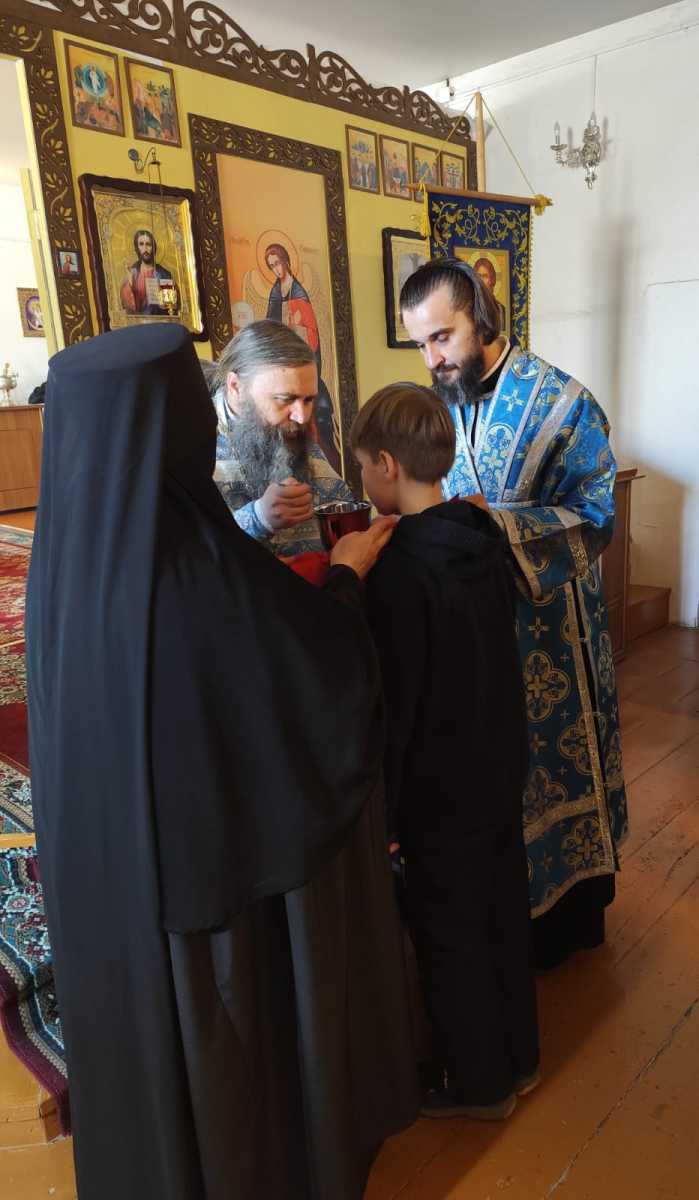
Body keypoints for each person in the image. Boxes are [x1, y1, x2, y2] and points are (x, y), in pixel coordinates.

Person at [25, 323, 418, 1200]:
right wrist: (346, 579)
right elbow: (306, 663)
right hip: (204, 891)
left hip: (109, 889)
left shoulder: (64, 561)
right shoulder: (193, 563)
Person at [400, 258, 628, 970]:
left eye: (442, 337)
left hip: (555, 628)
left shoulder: (562, 402)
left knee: (555, 764)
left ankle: (570, 922)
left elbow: (596, 514)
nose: (432, 359)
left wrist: (494, 526)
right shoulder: (439, 404)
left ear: (480, 316)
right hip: (477, 633)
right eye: (420, 344)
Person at [352, 382, 539, 1119]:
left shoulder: (398, 572)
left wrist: (388, 809)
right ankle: (519, 1057)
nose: (362, 479)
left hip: (438, 787)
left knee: (449, 931)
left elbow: (396, 704)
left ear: (387, 464)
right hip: (497, 760)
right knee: (501, 909)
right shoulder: (480, 534)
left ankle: (478, 1084)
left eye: (362, 465)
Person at [212, 319, 354, 556]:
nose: (302, 416)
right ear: (236, 386)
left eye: (308, 400)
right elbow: (184, 556)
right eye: (285, 399)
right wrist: (257, 518)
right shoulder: (192, 446)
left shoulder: (291, 431)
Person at [264, 242, 341, 472]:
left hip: (304, 360)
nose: (276, 269)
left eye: (278, 263)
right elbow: (269, 327)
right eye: (271, 266)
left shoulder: (298, 292)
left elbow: (311, 333)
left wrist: (295, 328)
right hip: (282, 362)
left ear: (286, 261)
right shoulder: (275, 293)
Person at [120, 228, 179, 316]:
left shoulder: (164, 274)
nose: (145, 249)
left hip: (159, 321)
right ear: (137, 248)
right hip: (138, 322)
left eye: (148, 244)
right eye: (141, 244)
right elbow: (127, 307)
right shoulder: (133, 273)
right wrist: (130, 285)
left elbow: (171, 307)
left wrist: (162, 300)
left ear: (154, 247)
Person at [472, 256, 507, 334]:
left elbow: (502, 335)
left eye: (485, 276)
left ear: (491, 279)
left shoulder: (499, 308)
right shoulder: (470, 306)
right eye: (479, 276)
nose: (481, 280)